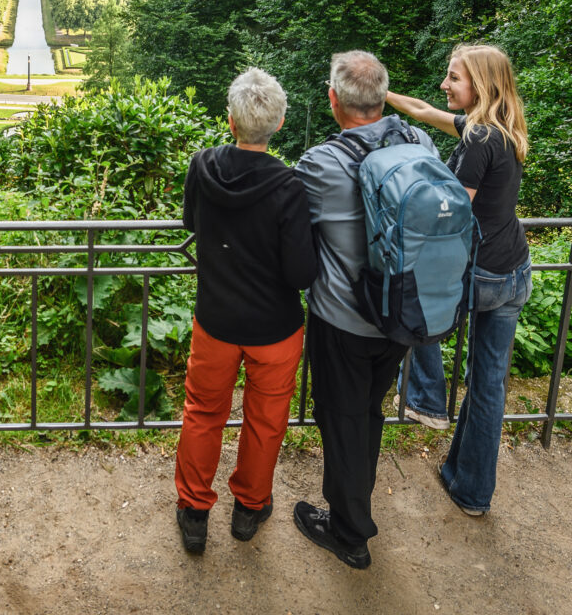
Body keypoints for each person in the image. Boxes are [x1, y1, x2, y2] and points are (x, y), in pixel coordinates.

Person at [293, 50, 439, 569]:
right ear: (382, 97)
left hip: (344, 319)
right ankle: (355, 502)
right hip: (403, 314)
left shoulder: (321, 163)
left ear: (334, 100)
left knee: (342, 416)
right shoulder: (419, 142)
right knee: (367, 412)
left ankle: (350, 532)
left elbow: (286, 224)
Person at [175, 68, 317, 554]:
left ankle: (194, 512)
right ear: (277, 124)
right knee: (266, 419)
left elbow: (192, 222)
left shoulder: (202, 165)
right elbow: (301, 273)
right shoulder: (289, 186)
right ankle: (249, 509)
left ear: (231, 122)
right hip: (274, 329)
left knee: (202, 412)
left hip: (215, 319)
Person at [386, 43, 531, 516]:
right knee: (489, 384)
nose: (445, 85)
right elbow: (424, 110)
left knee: (412, 296)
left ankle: (426, 399)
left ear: (480, 86)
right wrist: (379, 92)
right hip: (514, 272)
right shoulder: (500, 129)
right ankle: (470, 491)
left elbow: (450, 213)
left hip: (482, 273)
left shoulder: (477, 140)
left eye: (454, 78)